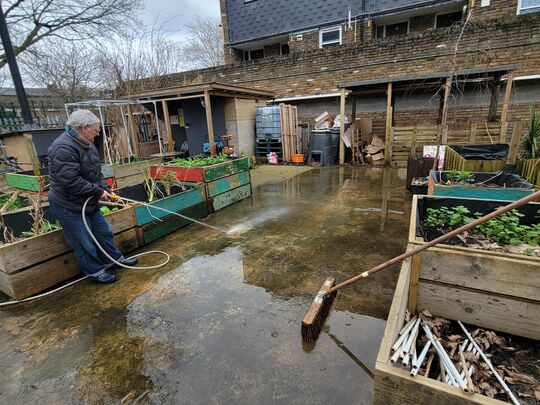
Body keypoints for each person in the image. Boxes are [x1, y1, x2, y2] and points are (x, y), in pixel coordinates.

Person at [47, 109, 137, 284]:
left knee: (104, 233)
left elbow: (95, 173)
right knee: (84, 241)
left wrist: (105, 188)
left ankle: (115, 259)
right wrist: (97, 191)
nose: (98, 134)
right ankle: (95, 271)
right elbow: (70, 181)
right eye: (95, 130)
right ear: (82, 128)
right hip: (69, 205)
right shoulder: (62, 148)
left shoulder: (87, 144)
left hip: (88, 201)